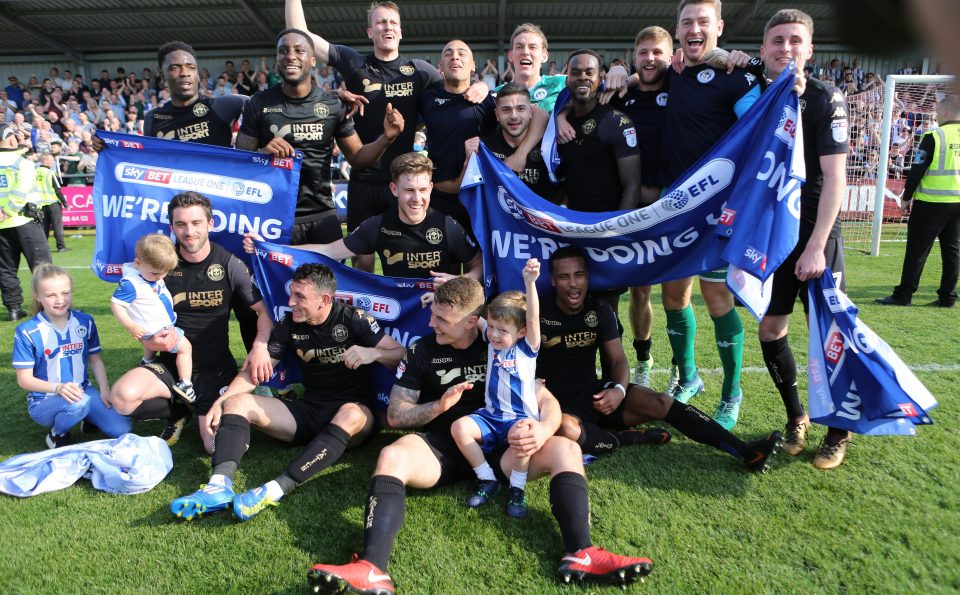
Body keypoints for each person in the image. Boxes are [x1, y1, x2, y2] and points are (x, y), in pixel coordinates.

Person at [307, 276, 653, 594]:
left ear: (472, 322)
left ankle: (582, 552)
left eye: (442, 319)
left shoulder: (501, 338)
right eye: (434, 317)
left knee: (564, 449)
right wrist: (438, 407)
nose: (431, 324)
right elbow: (396, 416)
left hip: (507, 449)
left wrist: (543, 429)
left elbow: (543, 395)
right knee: (392, 455)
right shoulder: (422, 350)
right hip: (447, 444)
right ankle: (372, 568)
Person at [169, 263, 405, 521]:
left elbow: (400, 355)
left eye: (300, 297)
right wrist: (222, 401)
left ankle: (274, 489)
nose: (291, 302)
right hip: (309, 410)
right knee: (237, 402)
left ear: (324, 300)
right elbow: (256, 372)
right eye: (291, 294)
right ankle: (218, 487)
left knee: (351, 413)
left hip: (355, 415)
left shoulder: (352, 318)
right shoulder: (289, 325)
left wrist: (374, 353)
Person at [285, 0, 486, 272]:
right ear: (370, 32)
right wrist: (333, 94)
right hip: (363, 180)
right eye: (380, 22)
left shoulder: (420, 71)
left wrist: (484, 86)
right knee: (362, 261)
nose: (387, 27)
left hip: (403, 184)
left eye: (392, 23)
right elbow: (299, 35)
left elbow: (455, 89)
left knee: (413, 257)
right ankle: (366, 314)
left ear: (401, 32)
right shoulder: (353, 62)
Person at [541, 246, 782, 468]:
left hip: (595, 396)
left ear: (587, 277)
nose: (573, 283)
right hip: (556, 403)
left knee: (662, 402)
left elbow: (618, 361)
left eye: (579, 275)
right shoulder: (537, 312)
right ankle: (622, 438)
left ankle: (746, 451)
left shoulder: (599, 309)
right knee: (565, 429)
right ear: (553, 280)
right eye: (564, 277)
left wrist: (618, 391)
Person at [747, 9, 854, 469]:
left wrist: (816, 247)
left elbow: (835, 179)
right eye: (777, 41)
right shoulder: (755, 94)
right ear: (763, 50)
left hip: (814, 235)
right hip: (774, 234)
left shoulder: (827, 99)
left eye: (795, 41)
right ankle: (797, 418)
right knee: (771, 328)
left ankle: (838, 431)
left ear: (809, 49)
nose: (786, 49)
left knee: (827, 334)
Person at [656, 0, 763, 430]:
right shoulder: (671, 72)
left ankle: (731, 393)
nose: (694, 29)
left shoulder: (737, 78)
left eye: (703, 22)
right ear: (677, 31)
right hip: (674, 205)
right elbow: (636, 74)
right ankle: (688, 378)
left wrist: (751, 63)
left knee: (717, 299)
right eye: (687, 22)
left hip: (718, 210)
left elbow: (761, 123)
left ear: (719, 27)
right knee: (673, 297)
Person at [109, 192, 275, 452]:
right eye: (181, 224)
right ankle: (177, 411)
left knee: (215, 447)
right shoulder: (162, 264)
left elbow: (264, 311)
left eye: (196, 223)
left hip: (214, 368)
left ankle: (207, 404)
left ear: (210, 224)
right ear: (171, 227)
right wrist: (147, 339)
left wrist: (261, 346)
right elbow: (129, 303)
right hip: (172, 362)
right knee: (122, 398)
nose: (189, 232)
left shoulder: (229, 264)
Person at [235, 28, 405, 246]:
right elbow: (239, 163)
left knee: (329, 281)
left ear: (313, 60)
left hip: (321, 216)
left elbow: (358, 158)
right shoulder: (258, 103)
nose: (291, 56)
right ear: (277, 60)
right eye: (283, 51)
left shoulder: (333, 105)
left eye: (299, 50)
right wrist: (263, 154)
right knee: (277, 282)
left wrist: (387, 138)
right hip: (273, 217)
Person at [245, 152, 481, 282]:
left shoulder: (447, 225)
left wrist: (458, 280)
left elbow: (479, 267)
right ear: (394, 189)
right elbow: (329, 251)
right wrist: (270, 248)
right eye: (409, 190)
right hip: (402, 315)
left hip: (444, 314)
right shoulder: (378, 226)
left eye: (422, 190)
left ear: (430, 188)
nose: (416, 198)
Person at [451, 258, 541, 517]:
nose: (493, 334)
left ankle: (517, 489)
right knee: (459, 427)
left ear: (521, 332)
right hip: (491, 416)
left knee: (523, 436)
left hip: (519, 419)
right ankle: (487, 478)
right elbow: (474, 317)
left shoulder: (526, 348)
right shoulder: (491, 341)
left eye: (502, 330)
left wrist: (530, 283)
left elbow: (533, 320)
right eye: (491, 327)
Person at [13, 264, 132, 448]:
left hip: (84, 391)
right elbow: (24, 380)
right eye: (51, 295)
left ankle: (88, 417)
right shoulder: (27, 331)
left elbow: (95, 359)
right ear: (37, 296)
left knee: (121, 429)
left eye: (65, 293)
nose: (60, 300)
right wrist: (58, 388)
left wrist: (104, 389)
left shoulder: (85, 321)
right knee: (78, 403)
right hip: (44, 401)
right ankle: (57, 434)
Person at [876, 95, 960, 311]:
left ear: (947, 113)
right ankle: (947, 297)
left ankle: (904, 295)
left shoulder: (935, 134)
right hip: (957, 202)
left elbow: (917, 170)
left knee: (917, 250)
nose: (936, 116)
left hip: (932, 202)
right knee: (952, 250)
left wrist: (905, 198)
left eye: (938, 112)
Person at [110, 234, 196, 404]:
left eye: (165, 273)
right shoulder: (131, 283)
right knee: (185, 348)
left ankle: (146, 361)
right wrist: (130, 326)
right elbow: (116, 304)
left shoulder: (147, 275)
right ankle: (186, 383)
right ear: (137, 263)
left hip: (156, 327)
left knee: (151, 349)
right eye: (156, 273)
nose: (161, 277)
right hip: (157, 330)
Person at [466, 82, 558, 202]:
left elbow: (562, 188)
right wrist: (468, 162)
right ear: (497, 114)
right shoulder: (483, 147)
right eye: (506, 110)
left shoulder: (548, 148)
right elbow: (471, 193)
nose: (514, 116)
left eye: (520, 109)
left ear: (530, 112)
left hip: (538, 218)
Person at [0, 122, 51, 322]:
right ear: (11, 138)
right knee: (42, 266)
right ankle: (49, 307)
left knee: (5, 269)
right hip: (24, 220)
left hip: (2, 226)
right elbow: (21, 190)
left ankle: (13, 308)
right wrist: (8, 211)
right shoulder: (22, 162)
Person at [32, 152, 69, 252]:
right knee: (57, 226)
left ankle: (43, 247)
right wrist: (65, 203)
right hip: (52, 203)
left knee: (44, 227)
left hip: (40, 204)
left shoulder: (34, 172)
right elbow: (57, 189)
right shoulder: (50, 173)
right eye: (51, 160)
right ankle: (60, 246)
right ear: (46, 160)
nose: (53, 162)